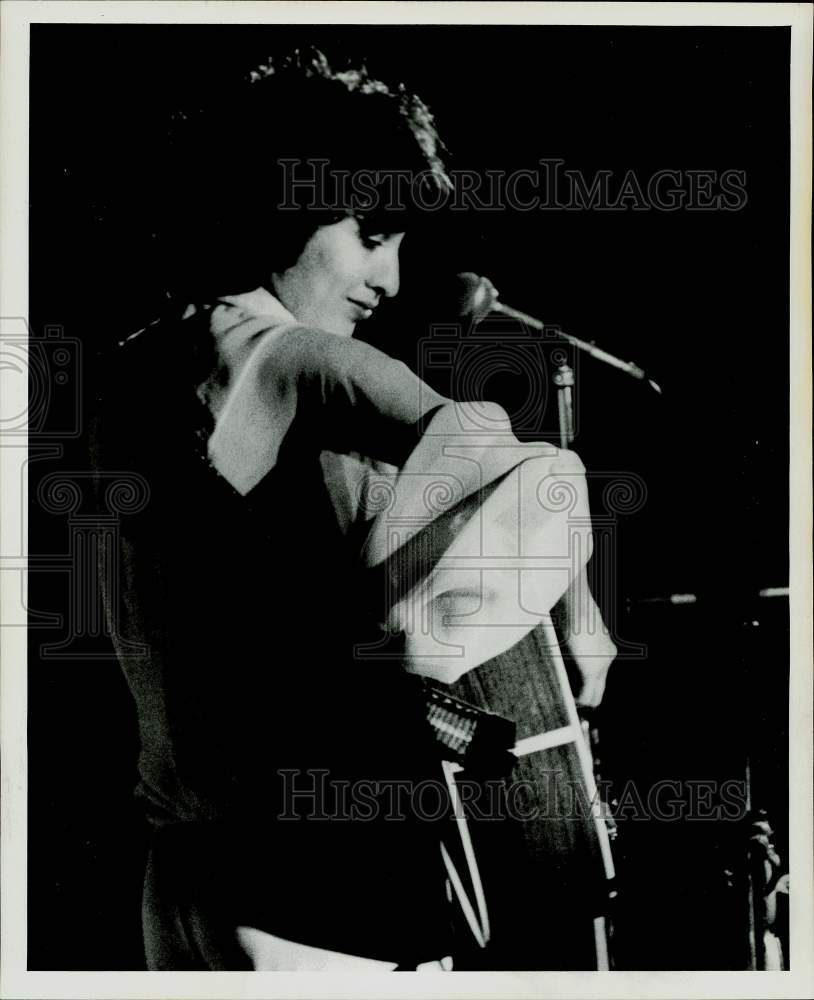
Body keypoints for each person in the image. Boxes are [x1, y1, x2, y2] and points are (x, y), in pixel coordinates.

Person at [95, 48, 615, 972]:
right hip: (314, 893)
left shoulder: (136, 365)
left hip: (180, 886)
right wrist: (581, 623)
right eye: (373, 235)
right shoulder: (297, 360)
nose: (392, 277)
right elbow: (514, 467)